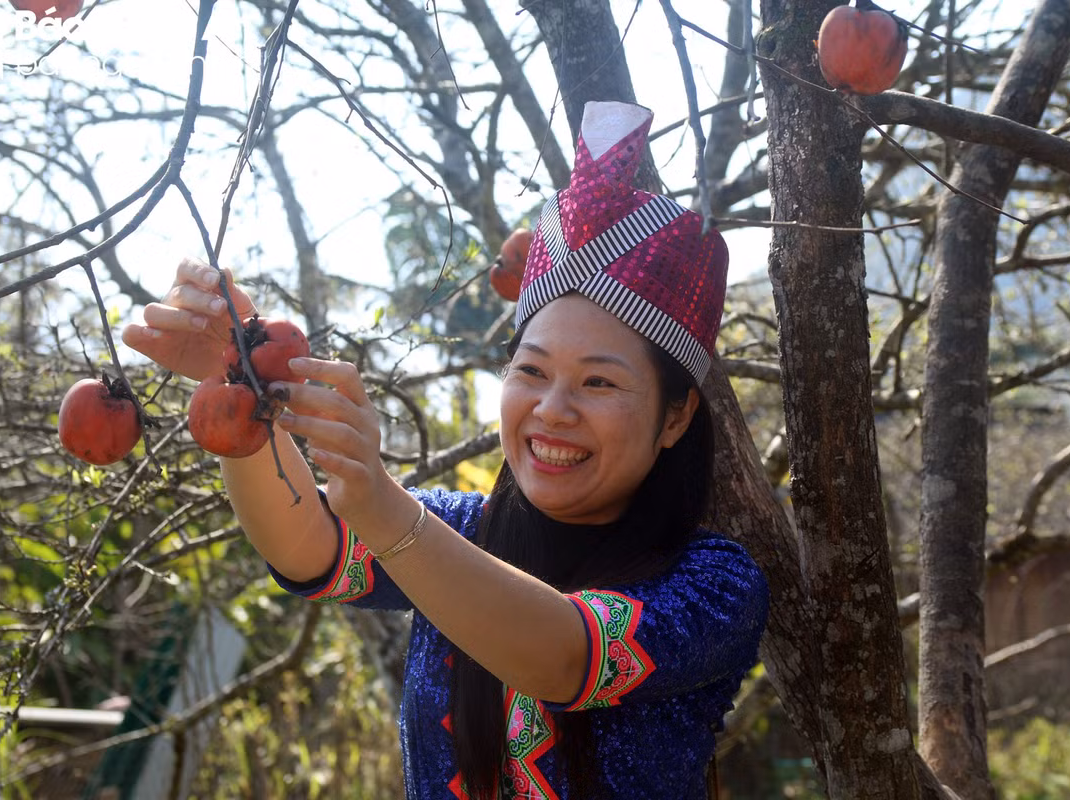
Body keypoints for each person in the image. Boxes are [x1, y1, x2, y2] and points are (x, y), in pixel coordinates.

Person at [124, 100, 769, 799]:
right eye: (531, 371)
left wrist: (382, 506)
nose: (553, 410)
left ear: (675, 417)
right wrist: (241, 383)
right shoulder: (460, 532)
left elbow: (563, 657)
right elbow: (301, 544)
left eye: (599, 382)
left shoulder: (715, 586)